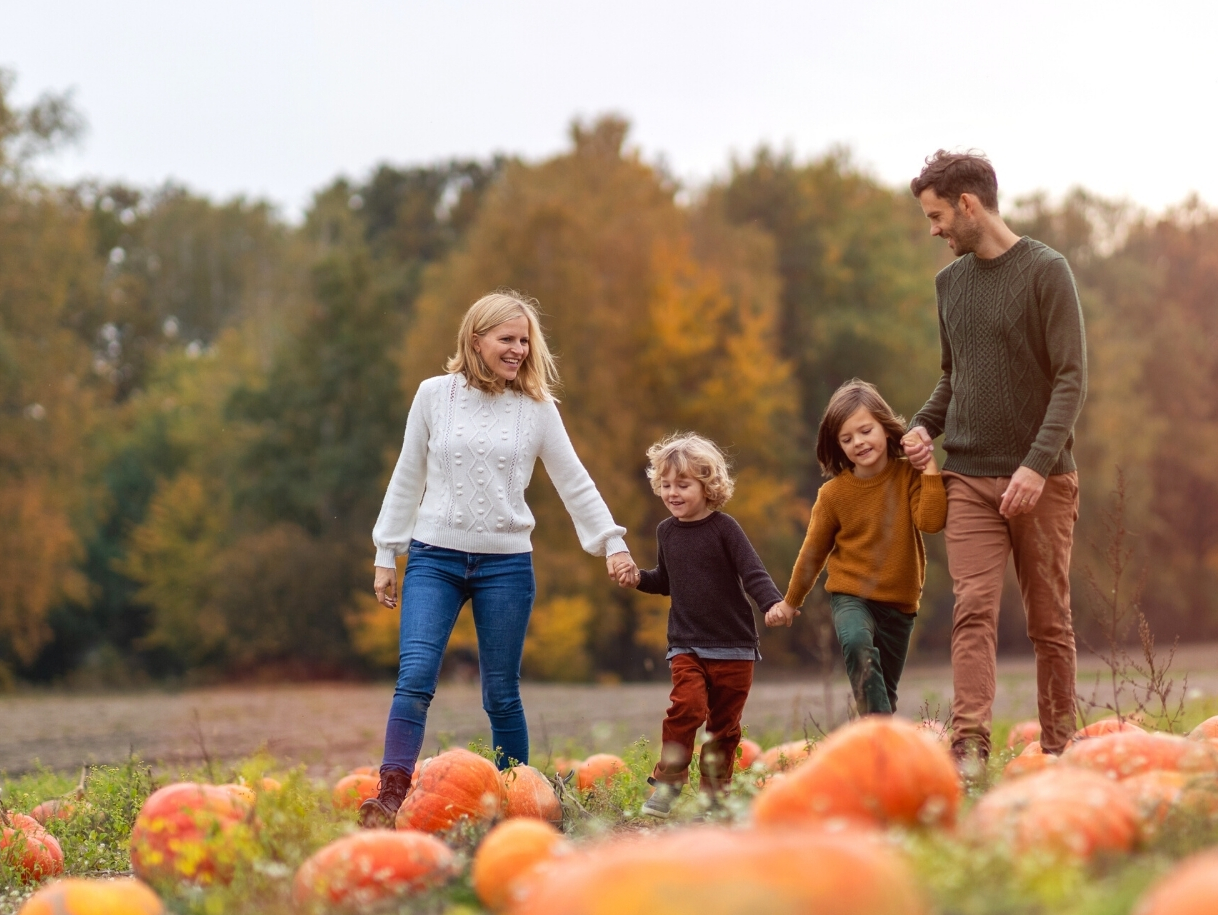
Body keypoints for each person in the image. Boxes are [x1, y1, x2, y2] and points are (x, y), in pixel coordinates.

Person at [361, 290, 638, 827]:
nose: (518, 350)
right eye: (507, 339)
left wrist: (612, 541)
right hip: (434, 558)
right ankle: (391, 795)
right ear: (476, 339)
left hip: (505, 566)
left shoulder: (536, 409)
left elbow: (573, 479)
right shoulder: (433, 395)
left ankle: (519, 804)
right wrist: (385, 551)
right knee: (415, 675)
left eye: (524, 341)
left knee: (501, 692)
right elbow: (407, 473)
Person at [902, 150, 1087, 765]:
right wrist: (923, 426)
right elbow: (954, 377)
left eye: (937, 216)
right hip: (969, 479)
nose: (934, 230)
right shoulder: (948, 285)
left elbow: (1070, 379)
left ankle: (1060, 749)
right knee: (972, 610)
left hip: (1044, 480)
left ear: (969, 205)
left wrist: (1036, 464)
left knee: (1048, 622)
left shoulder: (1046, 271)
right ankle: (971, 747)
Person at [623, 433, 796, 817]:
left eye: (683, 485)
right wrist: (639, 578)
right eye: (665, 485)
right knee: (686, 707)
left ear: (708, 485)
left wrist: (772, 604)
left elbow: (752, 573)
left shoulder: (725, 528)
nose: (672, 493)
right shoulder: (666, 532)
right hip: (687, 643)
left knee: (723, 729)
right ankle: (667, 785)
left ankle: (714, 798)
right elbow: (666, 581)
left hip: (734, 646)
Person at [783, 379, 946, 716]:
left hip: (900, 606)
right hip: (852, 597)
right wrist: (790, 603)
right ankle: (885, 738)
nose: (858, 442)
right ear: (838, 446)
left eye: (865, 431)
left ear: (886, 429)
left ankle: (873, 754)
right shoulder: (833, 496)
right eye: (847, 438)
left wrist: (928, 467)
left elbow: (931, 522)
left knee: (881, 692)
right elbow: (812, 554)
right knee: (857, 645)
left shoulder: (908, 476)